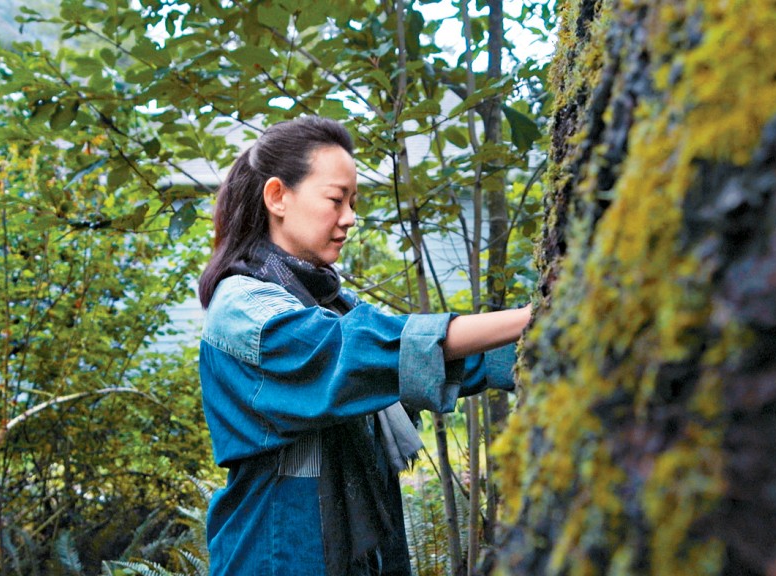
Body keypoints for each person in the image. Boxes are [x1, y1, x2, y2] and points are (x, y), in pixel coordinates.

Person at [197, 116, 532, 575]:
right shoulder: (244, 307)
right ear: (277, 196)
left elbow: (431, 360)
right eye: (336, 200)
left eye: (352, 202)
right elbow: (354, 356)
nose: (350, 218)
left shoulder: (328, 303)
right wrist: (536, 315)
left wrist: (542, 345)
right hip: (278, 555)